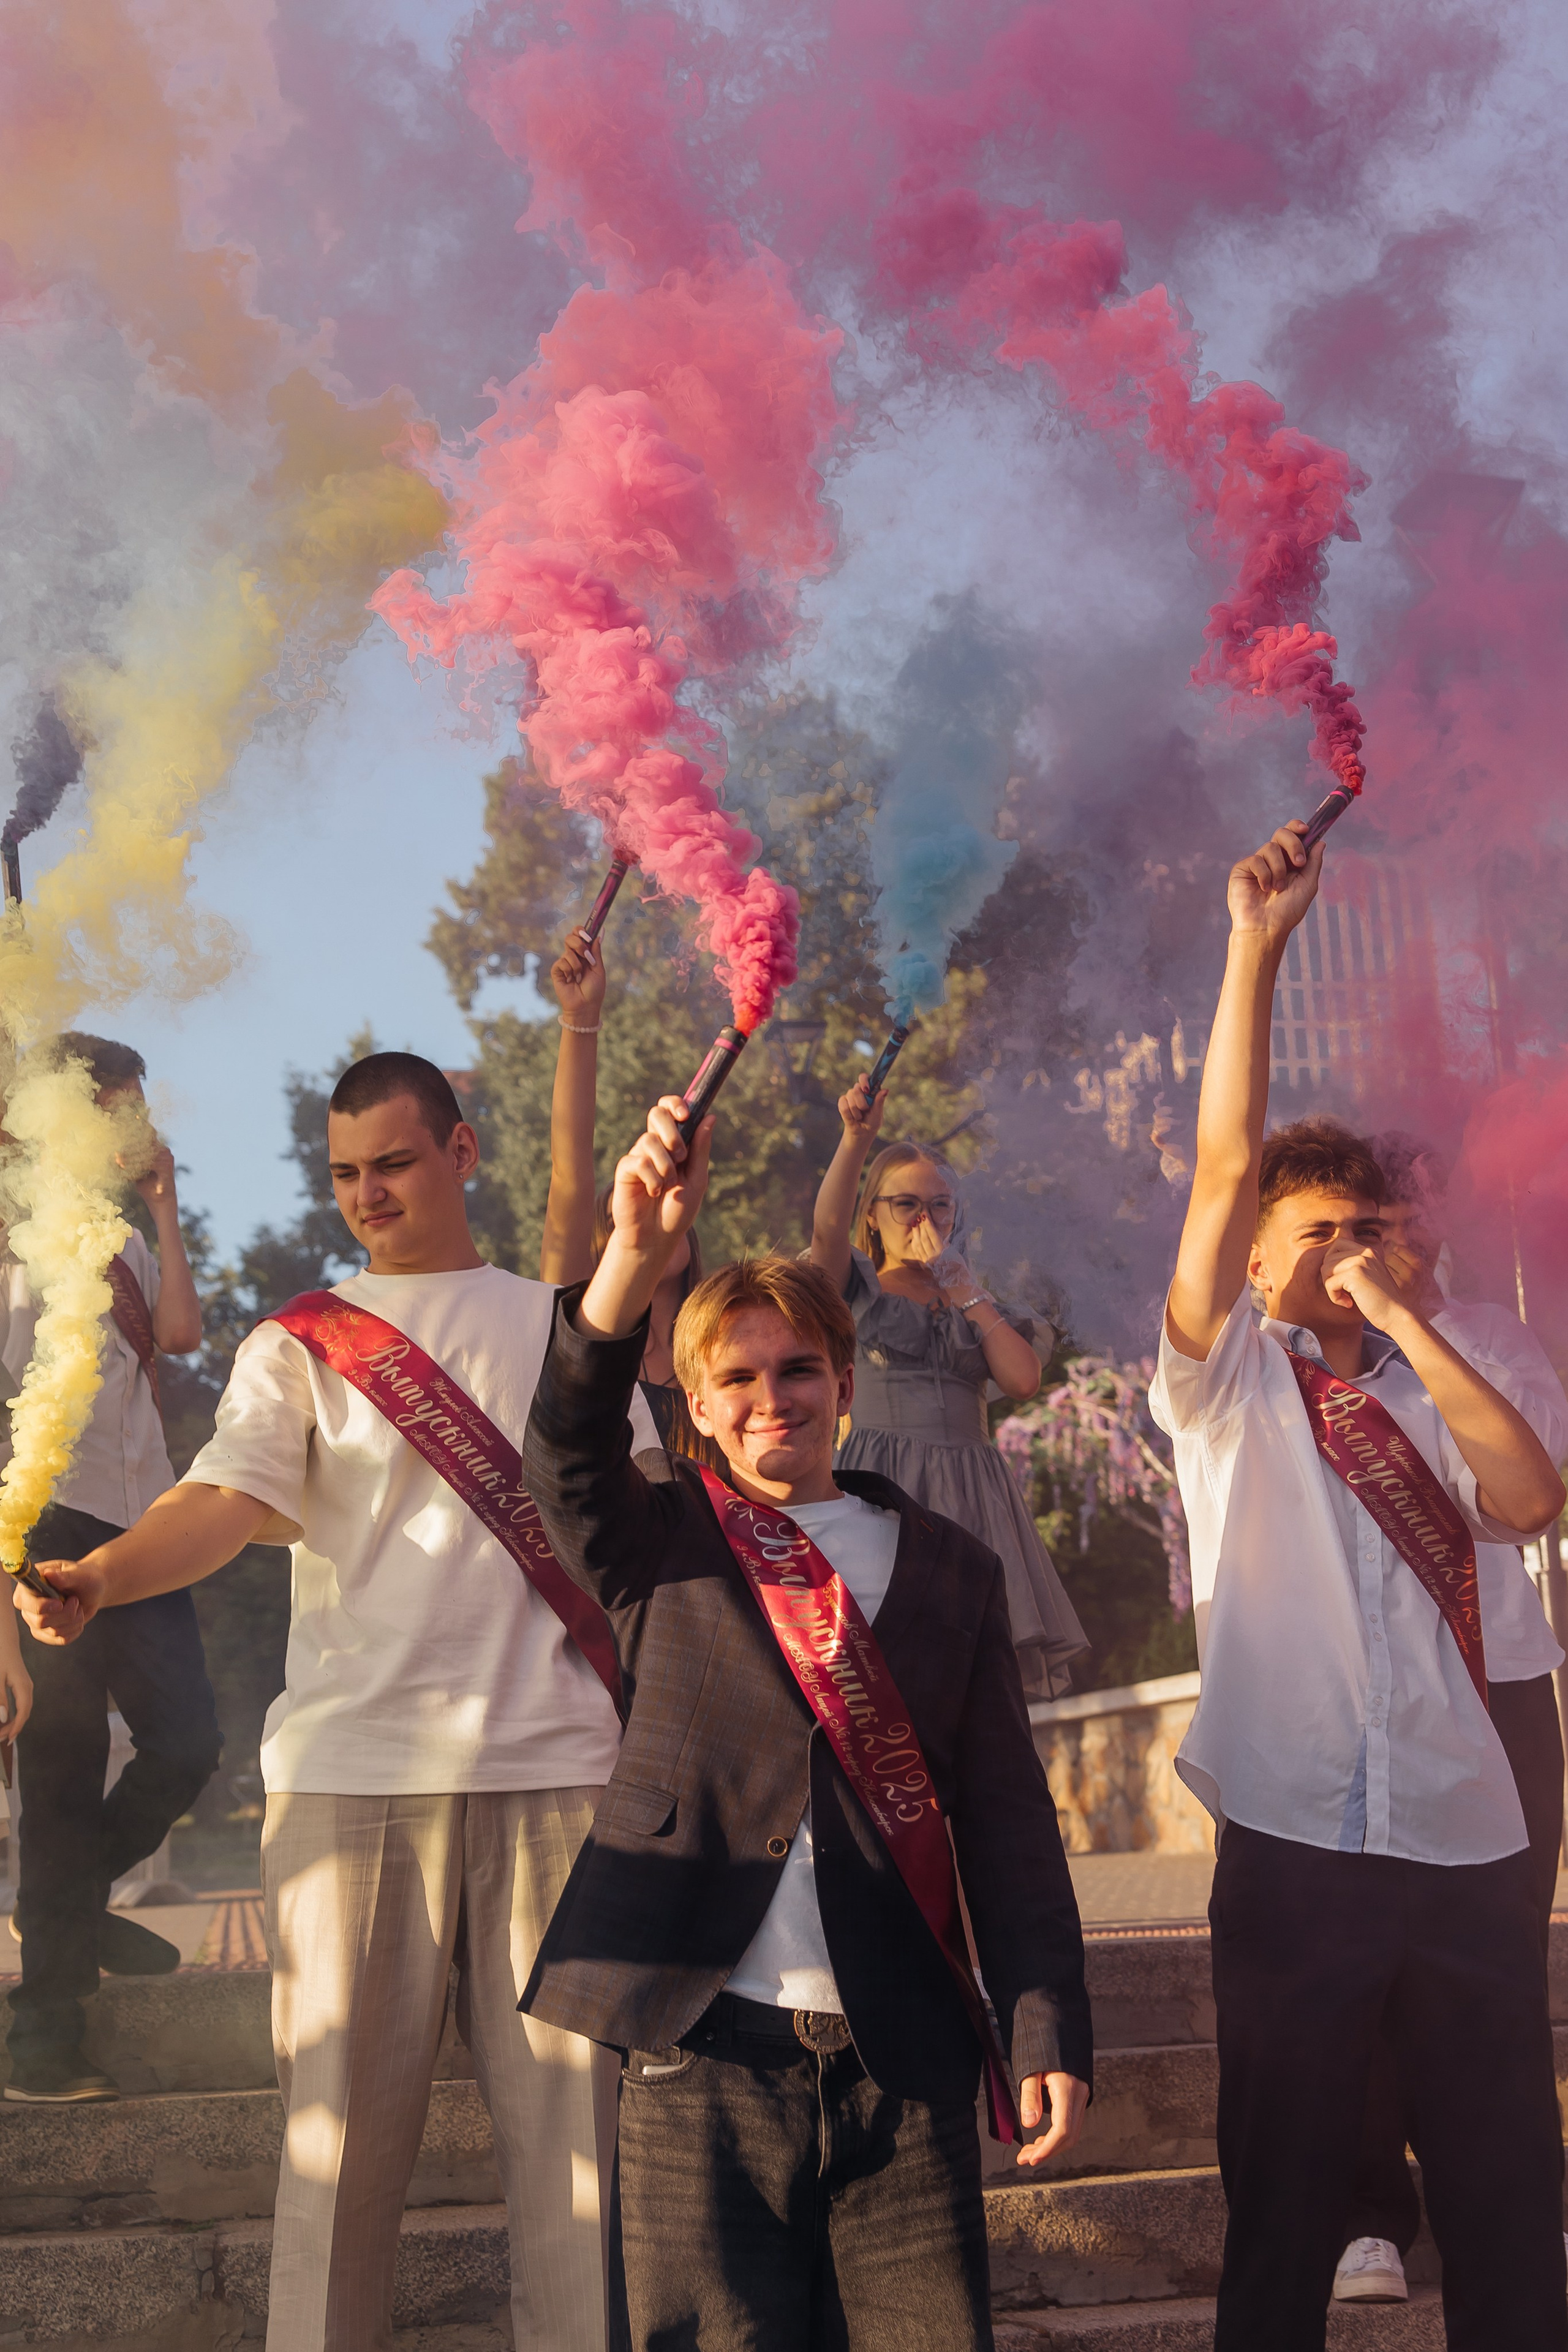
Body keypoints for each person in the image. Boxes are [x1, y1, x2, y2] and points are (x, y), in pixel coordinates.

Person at [15, 1050, 656, 2352]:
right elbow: (221, 1501)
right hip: (353, 1777)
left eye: (395, 1164)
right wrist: (105, 1573)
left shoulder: (562, 1326)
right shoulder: (298, 1341)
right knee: (332, 2162)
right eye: (347, 1173)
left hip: (559, 1773)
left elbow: (638, 1526)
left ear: (462, 1153)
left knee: (581, 2171)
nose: (369, 1194)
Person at [521, 1092, 1093, 2351]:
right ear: (695, 1401)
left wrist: (1043, 2020)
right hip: (701, 2050)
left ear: (844, 1380)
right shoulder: (660, 1535)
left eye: (796, 1370)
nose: (769, 1397)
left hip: (906, 2056)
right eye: (736, 1377)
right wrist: (631, 1256)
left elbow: (1007, 1821)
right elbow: (562, 1453)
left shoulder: (951, 1568)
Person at [1150, 821, 1568, 2351]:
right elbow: (1220, 1166)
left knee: (1503, 2191)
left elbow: (1527, 1501)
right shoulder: (1223, 1387)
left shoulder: (1433, 1378)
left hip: (1461, 1822)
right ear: (1256, 1266)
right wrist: (1253, 946)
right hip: (1294, 1828)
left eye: (1364, 1227)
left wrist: (1405, 1319)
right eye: (1311, 1234)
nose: (1343, 1251)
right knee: (1282, 2205)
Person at [1332, 1131, 1568, 2306]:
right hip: (1368, 1693)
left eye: (1421, 1211)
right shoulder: (1315, 1362)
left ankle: (1521, 2210)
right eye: (1382, 1218)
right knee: (1365, 1959)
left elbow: (1530, 1493)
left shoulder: (1496, 1339)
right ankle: (1370, 2217)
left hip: (1504, 1678)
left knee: (1503, 1953)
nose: (1407, 1236)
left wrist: (1417, 1330)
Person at [4, 1031, 219, 2105]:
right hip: (45, 1527)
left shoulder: (126, 1243)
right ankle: (43, 2036)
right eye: (124, 1107)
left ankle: (72, 1906)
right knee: (61, 1773)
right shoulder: (14, 1242)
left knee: (190, 1740)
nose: (141, 1125)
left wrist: (165, 1210)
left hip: (140, 1530)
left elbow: (180, 1333)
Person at [809, 1074, 1087, 1696]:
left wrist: (962, 1285)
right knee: (894, 1658)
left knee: (976, 1668)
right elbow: (826, 1233)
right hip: (884, 1477)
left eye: (940, 1205)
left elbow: (1021, 1379)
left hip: (975, 1487)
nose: (925, 1218)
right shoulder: (858, 1289)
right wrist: (855, 1140)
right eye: (906, 1204)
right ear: (873, 1216)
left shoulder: (974, 1298)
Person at [541, 922, 719, 1467]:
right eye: (627, 1214)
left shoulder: (724, 1341)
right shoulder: (580, 1333)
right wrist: (581, 1020)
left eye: (664, 1196)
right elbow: (570, 1172)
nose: (657, 1203)